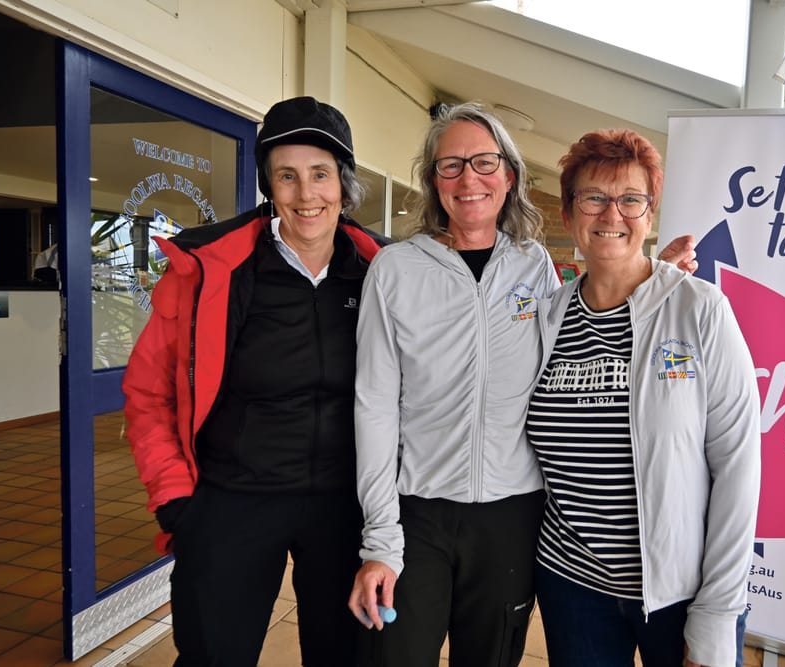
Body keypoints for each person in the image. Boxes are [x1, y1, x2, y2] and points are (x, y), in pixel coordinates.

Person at [347, 102, 698, 667]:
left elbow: (594, 306)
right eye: (451, 164)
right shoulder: (395, 270)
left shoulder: (533, 263)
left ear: (509, 176)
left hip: (514, 516)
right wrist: (381, 539)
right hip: (418, 514)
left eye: (485, 162)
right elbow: (374, 409)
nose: (469, 179)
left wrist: (663, 281)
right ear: (433, 180)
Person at [122, 96, 386, 666]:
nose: (306, 194)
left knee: (346, 655)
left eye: (320, 174)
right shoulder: (209, 270)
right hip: (234, 497)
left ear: (343, 183)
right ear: (269, 185)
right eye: (286, 177)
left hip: (346, 504)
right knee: (213, 655)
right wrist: (175, 501)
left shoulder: (381, 274)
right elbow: (148, 391)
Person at [525, 128, 760, 667]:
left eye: (631, 198)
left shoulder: (700, 310)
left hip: (679, 593)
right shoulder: (546, 318)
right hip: (570, 585)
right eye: (594, 197)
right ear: (568, 214)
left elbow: (738, 467)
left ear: (650, 215)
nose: (613, 213)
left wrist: (717, 612)